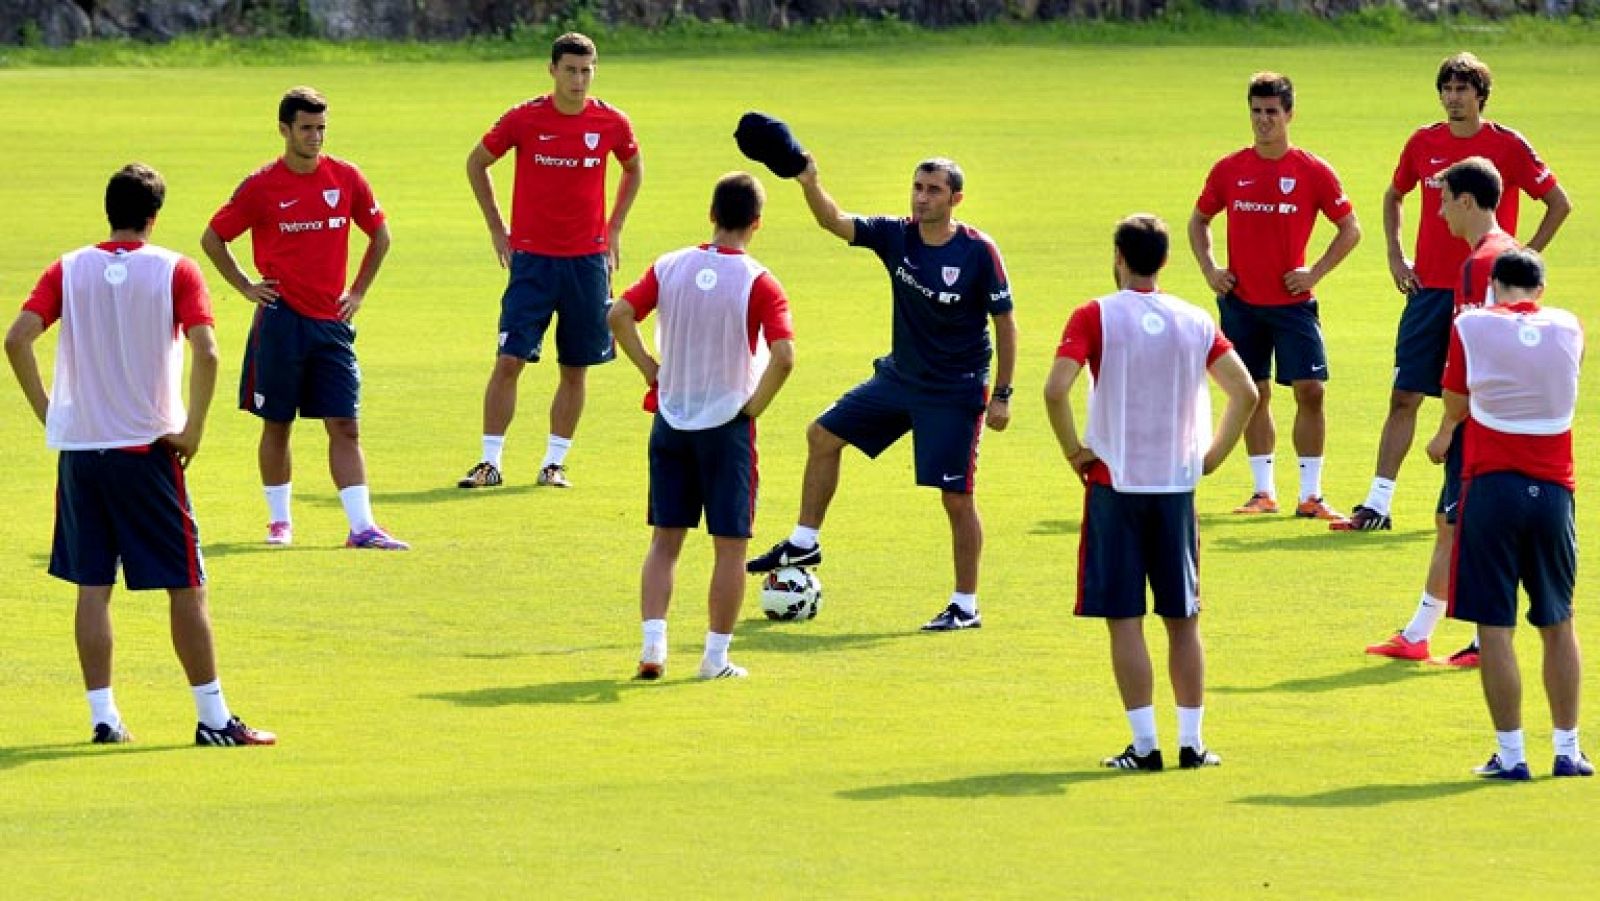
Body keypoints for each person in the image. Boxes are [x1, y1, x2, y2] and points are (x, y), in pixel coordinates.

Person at [5, 163, 275, 746]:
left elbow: (17, 338)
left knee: (92, 588)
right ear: (154, 216)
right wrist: (194, 430)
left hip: (82, 454)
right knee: (186, 585)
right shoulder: (176, 269)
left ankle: (103, 717)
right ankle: (212, 718)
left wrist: (53, 413)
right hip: (147, 449)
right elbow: (207, 353)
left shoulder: (68, 268)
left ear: (109, 210)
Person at [745, 154, 1017, 632]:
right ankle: (805, 539)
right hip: (899, 379)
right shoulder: (897, 234)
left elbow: (1006, 323)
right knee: (822, 436)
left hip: (954, 391)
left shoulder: (978, 251)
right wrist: (810, 182)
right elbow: (835, 221)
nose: (921, 197)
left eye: (933, 190)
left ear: (956, 199)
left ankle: (965, 605)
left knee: (956, 498)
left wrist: (1003, 394)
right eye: (917, 186)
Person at [1044, 214, 1257, 771]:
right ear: (1164, 260)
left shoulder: (1095, 314)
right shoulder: (1194, 319)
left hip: (1116, 483)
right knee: (1183, 619)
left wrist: (1074, 451)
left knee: (1125, 619)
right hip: (1174, 485)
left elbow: (1054, 390)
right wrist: (1210, 456)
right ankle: (1192, 742)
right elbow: (1246, 392)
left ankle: (1144, 746)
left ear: (1119, 255)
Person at [1341, 51, 1569, 534]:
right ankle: (1377, 503)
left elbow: (1557, 203)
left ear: (1481, 95)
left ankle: (1469, 500)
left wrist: (1520, 261)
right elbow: (1393, 194)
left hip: (1485, 296)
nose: (1452, 97)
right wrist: (1396, 256)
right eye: (1447, 88)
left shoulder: (1507, 146)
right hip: (1429, 293)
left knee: (1478, 397)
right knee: (1404, 394)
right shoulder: (1423, 142)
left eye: (1462, 89)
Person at [200, 86, 406, 550]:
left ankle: (362, 527)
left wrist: (357, 291)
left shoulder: (347, 178)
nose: (315, 138)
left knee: (345, 424)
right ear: (285, 130)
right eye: (307, 129)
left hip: (332, 325)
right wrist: (245, 286)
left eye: (321, 128)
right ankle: (279, 522)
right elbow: (213, 237)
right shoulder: (261, 186)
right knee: (278, 423)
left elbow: (381, 236)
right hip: (282, 322)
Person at [609, 172, 795, 680]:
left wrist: (650, 369)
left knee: (664, 542)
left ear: (711, 214)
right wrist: (755, 405)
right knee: (730, 546)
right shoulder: (759, 281)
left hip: (672, 419)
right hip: (726, 426)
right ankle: (714, 658)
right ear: (757, 223)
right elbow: (784, 356)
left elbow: (621, 314)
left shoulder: (671, 265)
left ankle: (653, 646)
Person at [1422, 248, 1588, 780]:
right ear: (1540, 289)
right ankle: (1568, 750)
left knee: (1495, 626)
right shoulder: (1569, 327)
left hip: (1492, 488)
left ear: (1494, 284)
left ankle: (1512, 755)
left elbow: (1454, 403)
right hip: (1555, 492)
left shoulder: (1472, 326)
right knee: (1558, 622)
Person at [457, 31, 643, 490]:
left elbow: (633, 167)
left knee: (575, 367)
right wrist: (497, 228)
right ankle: (489, 461)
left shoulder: (612, 123)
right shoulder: (524, 119)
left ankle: (554, 463)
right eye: (571, 70)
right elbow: (476, 162)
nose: (579, 80)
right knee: (509, 360)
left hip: (586, 263)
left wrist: (614, 225)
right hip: (533, 262)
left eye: (587, 70)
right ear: (552, 70)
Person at [1366, 157, 1519, 669]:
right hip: (1506, 417)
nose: (1439, 212)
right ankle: (1420, 633)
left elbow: (1470, 356)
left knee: (1467, 525)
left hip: (1480, 424)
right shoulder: (1512, 254)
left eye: (1444, 200)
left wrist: (1447, 427)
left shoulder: (1478, 266)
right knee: (1450, 522)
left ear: (1467, 202)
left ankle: (1477, 638)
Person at [1187, 71, 1361, 522]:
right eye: (1256, 112)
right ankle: (1263, 492)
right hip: (1241, 302)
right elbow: (1198, 220)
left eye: (1271, 112)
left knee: (1311, 391)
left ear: (1289, 115)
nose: (1263, 121)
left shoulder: (1312, 170)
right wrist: (1211, 270)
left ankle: (1311, 494)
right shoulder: (1230, 169)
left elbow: (1350, 228)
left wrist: (1314, 272)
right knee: (1254, 392)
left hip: (1292, 307)